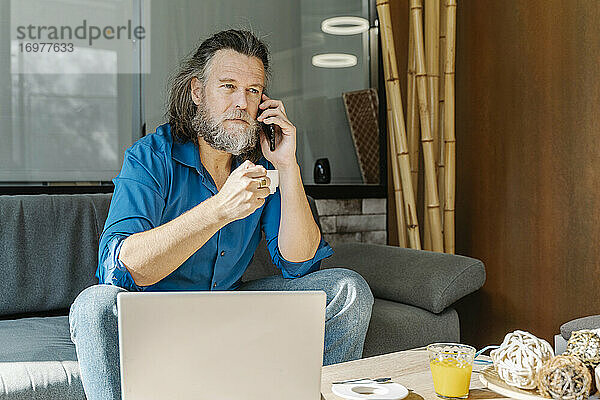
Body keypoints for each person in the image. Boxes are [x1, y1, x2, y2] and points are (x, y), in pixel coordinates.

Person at [69, 29, 373, 400]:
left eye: (253, 90)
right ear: (198, 93)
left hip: (228, 309)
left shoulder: (261, 165)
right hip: (155, 314)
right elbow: (122, 266)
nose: (242, 103)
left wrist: (287, 164)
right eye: (228, 86)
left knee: (346, 290)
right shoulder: (150, 157)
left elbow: (300, 262)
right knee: (92, 306)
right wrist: (218, 209)